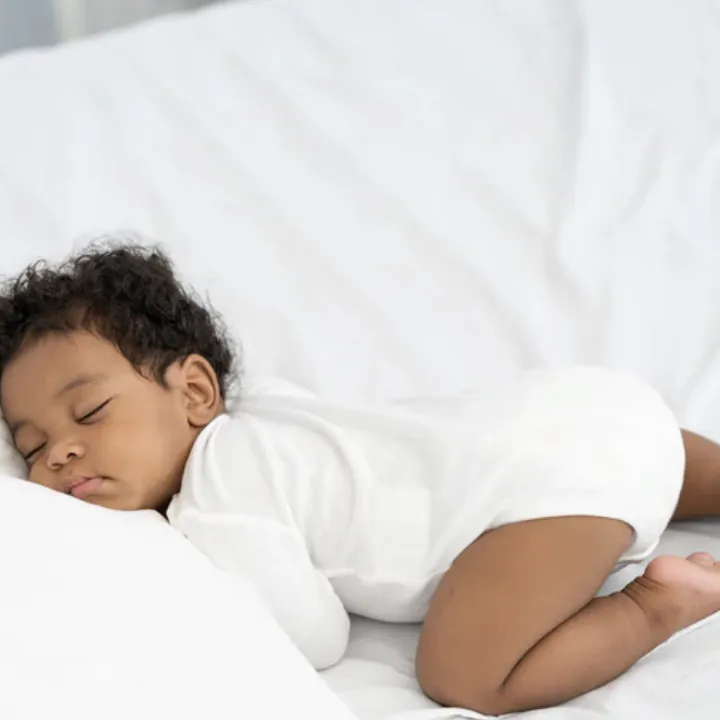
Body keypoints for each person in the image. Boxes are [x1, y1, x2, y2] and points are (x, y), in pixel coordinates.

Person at [1, 242, 720, 716]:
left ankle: (657, 605)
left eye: (89, 413)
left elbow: (318, 638)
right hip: (592, 409)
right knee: (648, 461)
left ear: (195, 391)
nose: (59, 454)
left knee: (466, 677)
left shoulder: (216, 494)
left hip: (534, 502)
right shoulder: (273, 409)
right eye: (31, 446)